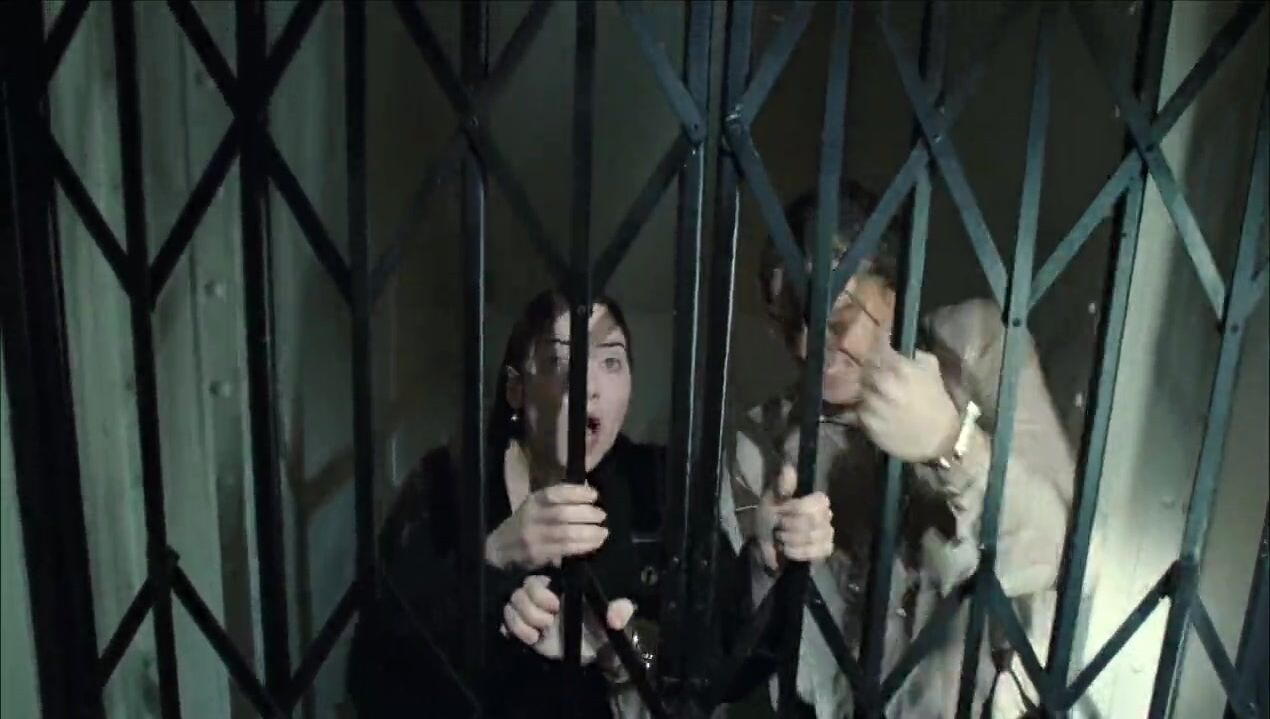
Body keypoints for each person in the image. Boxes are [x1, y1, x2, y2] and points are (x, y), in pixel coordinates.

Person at [347, 290, 836, 718]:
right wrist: (492, 561)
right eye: (559, 362)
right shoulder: (446, 485)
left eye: (611, 361)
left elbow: (723, 672)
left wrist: (761, 567)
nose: (589, 385)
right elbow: (373, 679)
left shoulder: (656, 484)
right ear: (516, 388)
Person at [719, 183, 1097, 717]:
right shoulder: (763, 442)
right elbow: (747, 670)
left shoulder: (974, 348)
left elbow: (1060, 554)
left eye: (837, 319)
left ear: (894, 296)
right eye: (787, 324)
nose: (807, 347)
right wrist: (767, 562)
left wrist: (951, 444)